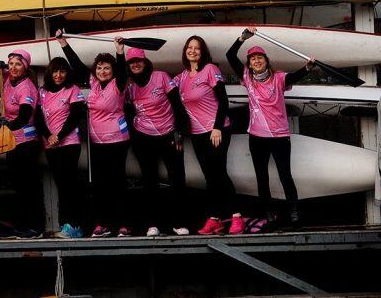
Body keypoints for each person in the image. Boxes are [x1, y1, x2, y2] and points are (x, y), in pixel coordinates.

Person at [226, 27, 314, 226]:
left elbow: (295, 77)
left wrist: (307, 68)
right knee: (262, 176)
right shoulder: (247, 78)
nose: (256, 61)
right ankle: (268, 211)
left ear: (266, 61)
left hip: (280, 136)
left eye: (260, 58)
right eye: (253, 59)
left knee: (285, 174)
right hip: (257, 137)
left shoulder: (279, 78)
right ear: (249, 63)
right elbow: (230, 55)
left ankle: (293, 209)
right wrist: (242, 38)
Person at [57, 30, 131, 238]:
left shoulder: (119, 84)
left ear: (113, 70)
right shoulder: (94, 83)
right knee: (100, 185)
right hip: (97, 142)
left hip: (117, 141)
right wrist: (63, 43)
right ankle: (102, 224)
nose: (102, 71)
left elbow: (123, 72)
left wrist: (119, 52)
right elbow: (77, 65)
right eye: (99, 67)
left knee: (117, 183)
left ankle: (122, 224)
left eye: (107, 68)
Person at [174, 35, 243, 235]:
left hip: (216, 130)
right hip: (197, 133)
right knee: (210, 177)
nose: (193, 51)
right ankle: (215, 219)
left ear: (202, 52)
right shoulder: (182, 77)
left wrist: (217, 127)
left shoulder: (210, 70)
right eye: (189, 47)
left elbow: (223, 100)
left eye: (197, 48)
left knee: (219, 174)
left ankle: (237, 217)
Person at [125, 47, 190, 237]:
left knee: (177, 179)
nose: (135, 64)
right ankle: (152, 224)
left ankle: (180, 223)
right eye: (131, 62)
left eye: (139, 61)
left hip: (169, 134)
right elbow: (128, 113)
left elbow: (177, 104)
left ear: (145, 62)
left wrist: (180, 131)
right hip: (143, 137)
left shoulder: (161, 76)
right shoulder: (129, 85)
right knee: (149, 181)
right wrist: (133, 137)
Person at [0, 49, 45, 239]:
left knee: (29, 185)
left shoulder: (27, 86)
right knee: (18, 185)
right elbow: (2, 72)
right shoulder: (8, 79)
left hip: (27, 141)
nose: (13, 67)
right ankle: (22, 224)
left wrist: (10, 124)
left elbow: (25, 115)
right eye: (11, 64)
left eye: (18, 64)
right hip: (12, 142)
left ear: (25, 66)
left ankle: (36, 226)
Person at [36, 57, 86, 239]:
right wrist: (48, 135)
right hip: (50, 145)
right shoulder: (42, 92)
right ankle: (66, 225)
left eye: (62, 71)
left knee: (69, 185)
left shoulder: (72, 90)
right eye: (55, 71)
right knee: (60, 185)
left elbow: (75, 115)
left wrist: (59, 135)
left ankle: (75, 226)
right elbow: (38, 118)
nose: (58, 75)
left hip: (69, 143)